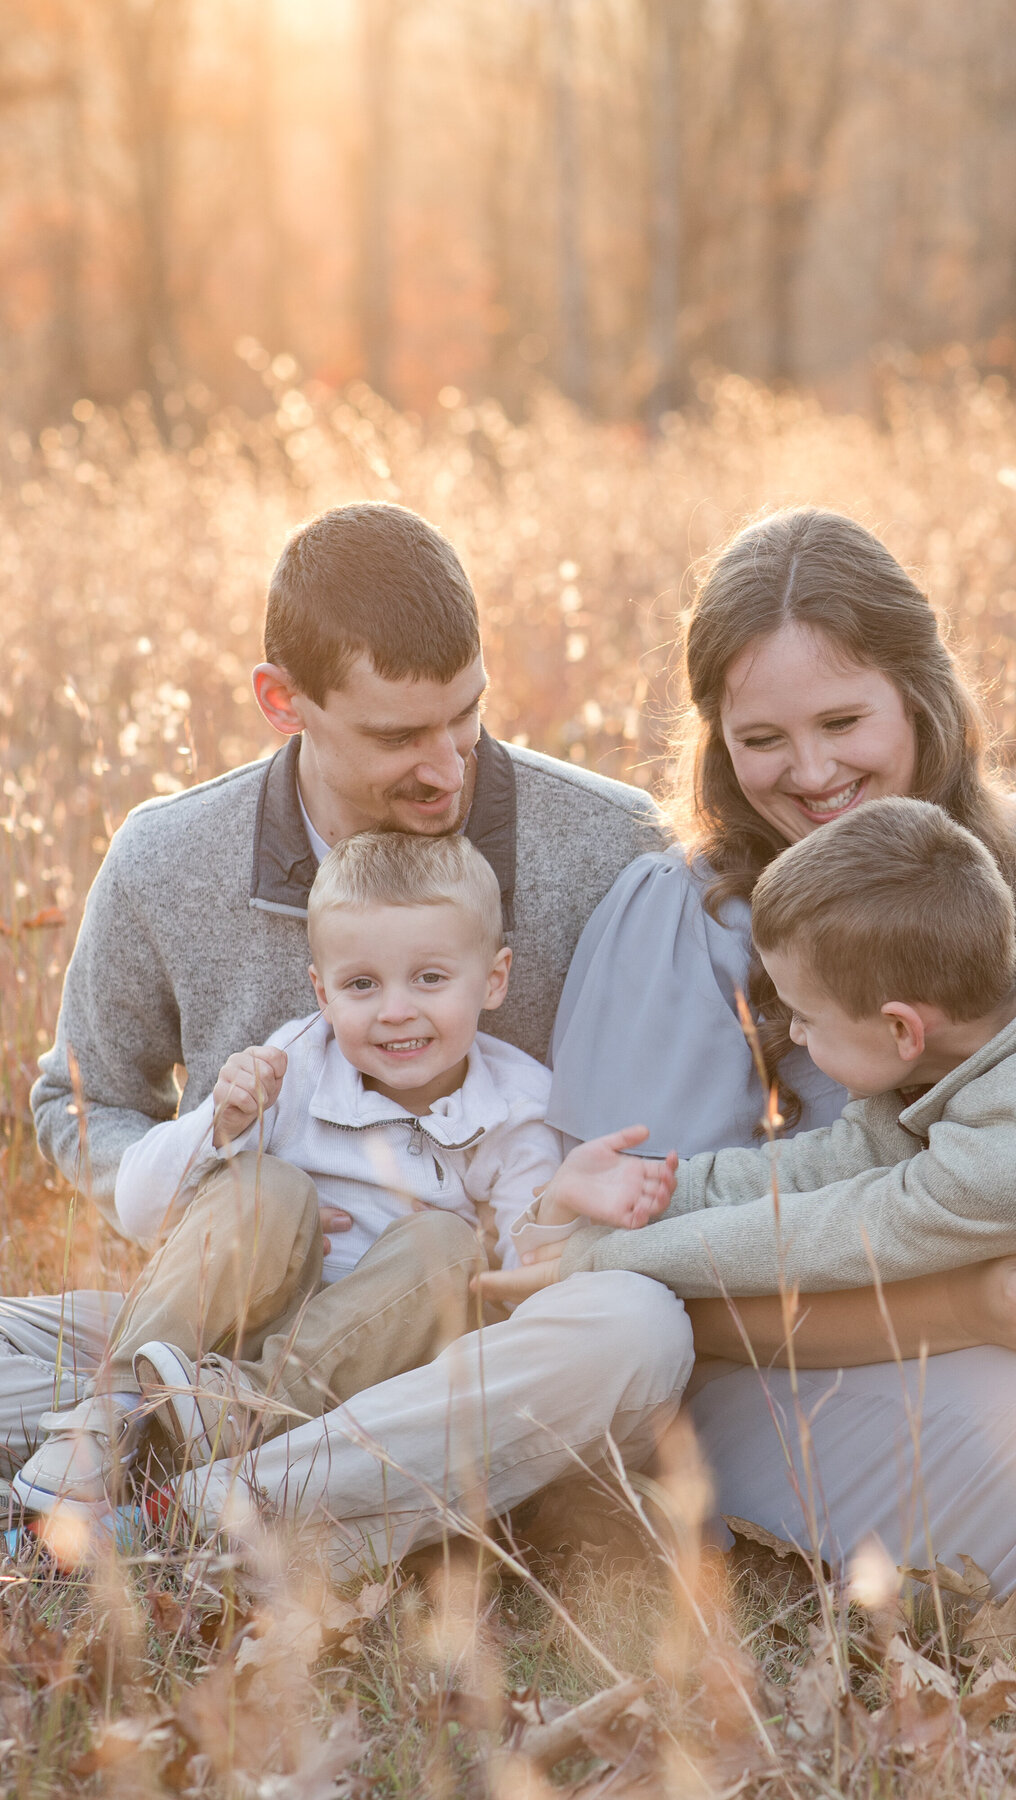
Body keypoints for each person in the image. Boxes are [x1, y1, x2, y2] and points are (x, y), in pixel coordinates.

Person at [545, 506, 1016, 1649]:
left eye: (845, 719)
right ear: (714, 738)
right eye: (761, 739)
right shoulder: (682, 922)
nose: (809, 775)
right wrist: (967, 1305)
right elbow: (636, 1301)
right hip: (828, 1378)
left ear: (922, 697)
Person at [5, 502, 692, 1553]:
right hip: (221, 1314)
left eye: (465, 716)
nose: (449, 766)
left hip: (472, 1329)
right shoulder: (164, 859)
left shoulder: (611, 849)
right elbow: (79, 1099)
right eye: (398, 736)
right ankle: (223, 1458)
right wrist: (206, 1200)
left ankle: (176, 1516)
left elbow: (667, 1125)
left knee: (636, 1335)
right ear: (284, 702)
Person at [13, 831, 569, 1518]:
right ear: (322, 991)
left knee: (451, 1250)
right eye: (362, 984)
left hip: (368, 1359)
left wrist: (550, 1224)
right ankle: (114, 1410)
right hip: (233, 1319)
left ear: (494, 979)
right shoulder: (292, 1066)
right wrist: (220, 1122)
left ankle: (208, 1425)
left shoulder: (516, 1106)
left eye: (430, 978)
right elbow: (140, 1208)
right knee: (268, 1188)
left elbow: (528, 1273)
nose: (395, 1010)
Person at [523, 797, 1016, 1294]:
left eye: (806, 1019)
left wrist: (591, 1262)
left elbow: (815, 1237)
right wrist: (653, 1191)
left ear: (903, 1030)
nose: (792, 1034)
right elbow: (839, 1160)